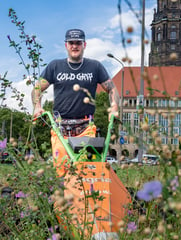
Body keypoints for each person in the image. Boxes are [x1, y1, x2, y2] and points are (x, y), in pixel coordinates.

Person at [32, 29, 120, 176]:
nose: (75, 46)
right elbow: (37, 88)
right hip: (60, 127)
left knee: (86, 171)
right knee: (62, 170)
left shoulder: (95, 67)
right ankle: (65, 197)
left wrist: (114, 107)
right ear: (66, 45)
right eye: (71, 43)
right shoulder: (55, 66)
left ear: (84, 44)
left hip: (85, 127)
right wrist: (37, 106)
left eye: (78, 43)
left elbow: (112, 89)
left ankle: (88, 198)